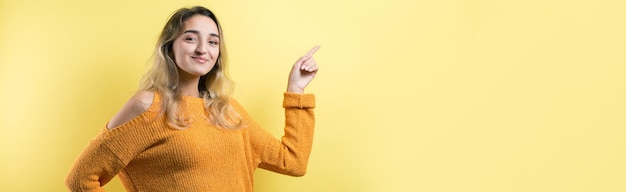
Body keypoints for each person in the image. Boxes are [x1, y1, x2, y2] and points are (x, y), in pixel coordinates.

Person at [65, 6, 319, 192]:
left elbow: (292, 162)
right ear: (169, 47)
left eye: (212, 42)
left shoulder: (227, 111)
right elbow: (80, 179)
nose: (202, 49)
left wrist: (296, 89)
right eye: (190, 38)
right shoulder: (147, 106)